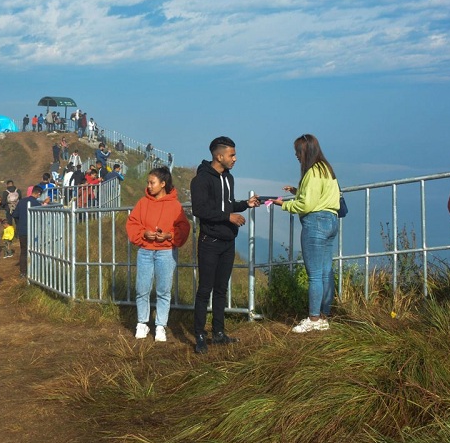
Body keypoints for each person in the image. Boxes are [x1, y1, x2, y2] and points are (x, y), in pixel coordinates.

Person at [190, 136, 260, 354]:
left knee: (221, 289)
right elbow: (200, 210)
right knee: (205, 290)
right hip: (209, 242)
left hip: (227, 242)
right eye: (232, 155)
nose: (235, 159)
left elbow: (226, 205)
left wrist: (244, 205)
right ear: (219, 156)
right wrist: (228, 217)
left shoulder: (228, 178)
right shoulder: (201, 180)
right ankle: (200, 335)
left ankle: (218, 333)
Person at [272, 134, 341, 334]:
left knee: (315, 275)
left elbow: (307, 204)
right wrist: (297, 190)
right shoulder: (326, 169)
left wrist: (283, 204)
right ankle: (324, 315)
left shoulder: (311, 172)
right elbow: (320, 195)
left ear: (305, 151)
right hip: (331, 220)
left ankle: (313, 318)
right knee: (326, 271)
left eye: (297, 151)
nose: (296, 155)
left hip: (315, 223)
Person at [127, 167, 191, 342]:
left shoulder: (175, 205)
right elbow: (133, 223)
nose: (149, 186)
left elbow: (183, 227)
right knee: (142, 289)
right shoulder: (142, 203)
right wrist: (143, 234)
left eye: (152, 182)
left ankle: (160, 325)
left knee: (163, 290)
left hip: (166, 252)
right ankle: (142, 323)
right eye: (148, 182)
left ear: (163, 184)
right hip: (145, 251)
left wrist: (169, 235)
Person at [12, 185, 47, 277]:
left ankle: (23, 272)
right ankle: (34, 270)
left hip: (23, 231)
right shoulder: (36, 204)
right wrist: (45, 204)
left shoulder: (21, 201)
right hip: (33, 231)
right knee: (34, 250)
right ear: (38, 193)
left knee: (24, 251)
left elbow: (15, 215)